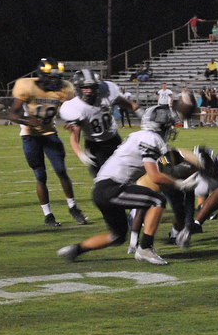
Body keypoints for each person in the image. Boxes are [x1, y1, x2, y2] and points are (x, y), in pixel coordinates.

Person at [57, 106, 198, 266]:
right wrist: (180, 184)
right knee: (157, 201)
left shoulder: (139, 136)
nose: (171, 129)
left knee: (117, 236)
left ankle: (75, 249)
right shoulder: (151, 139)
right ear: (162, 126)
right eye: (169, 125)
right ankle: (145, 248)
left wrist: (179, 161)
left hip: (102, 190)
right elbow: (155, 175)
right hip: (112, 188)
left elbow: (160, 163)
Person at [8, 58, 88, 227]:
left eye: (57, 77)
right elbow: (12, 114)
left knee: (61, 171)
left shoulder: (65, 89)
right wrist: (27, 120)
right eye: (51, 77)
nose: (55, 81)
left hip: (50, 133)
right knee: (40, 175)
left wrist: (72, 120)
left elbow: (72, 109)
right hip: (30, 135)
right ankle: (48, 215)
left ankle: (73, 207)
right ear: (41, 75)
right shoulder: (27, 86)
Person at [60, 68, 137, 176]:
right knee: (102, 178)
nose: (89, 90)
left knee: (124, 175)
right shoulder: (74, 107)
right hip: (95, 146)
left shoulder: (106, 92)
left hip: (114, 140)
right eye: (85, 87)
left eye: (91, 87)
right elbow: (74, 136)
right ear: (78, 88)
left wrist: (137, 110)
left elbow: (124, 103)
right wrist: (80, 153)